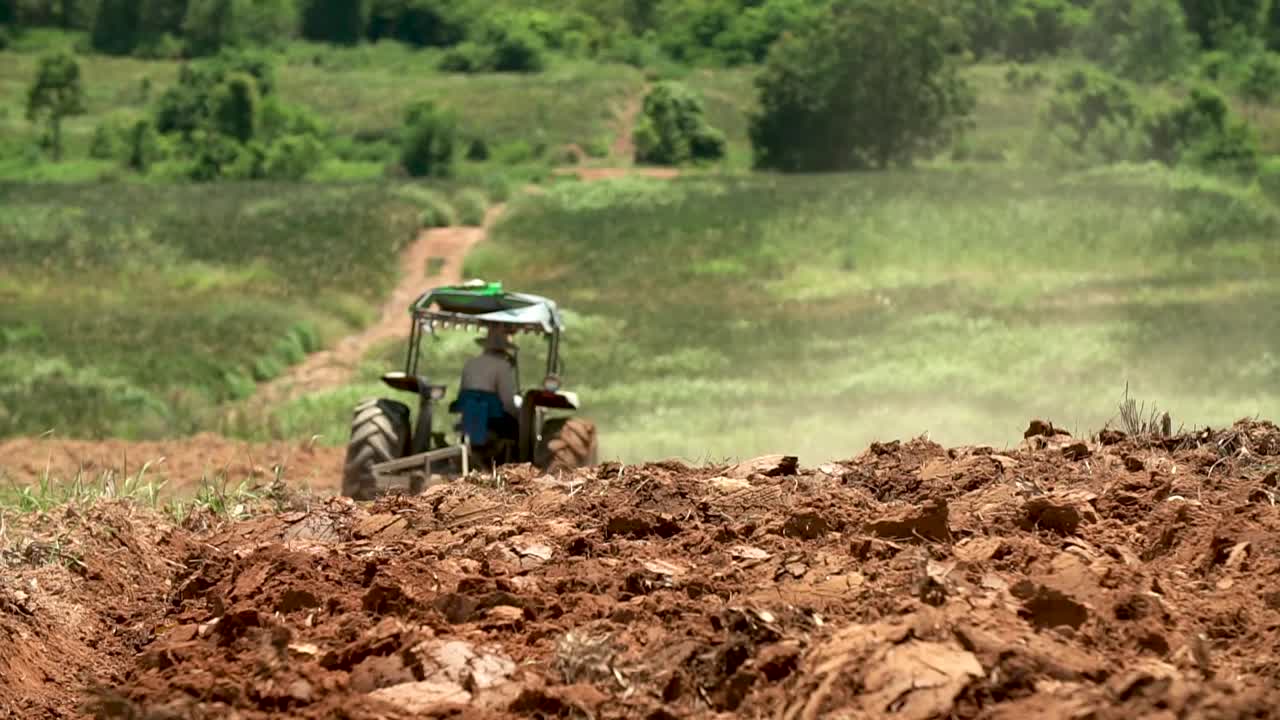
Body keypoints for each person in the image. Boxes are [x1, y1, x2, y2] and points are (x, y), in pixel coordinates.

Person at [454, 329, 520, 444]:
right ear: (504, 350)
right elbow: (507, 401)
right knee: (517, 428)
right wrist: (517, 414)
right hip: (491, 418)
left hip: (469, 413)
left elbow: (461, 392)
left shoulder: (470, 363)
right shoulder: (502, 366)